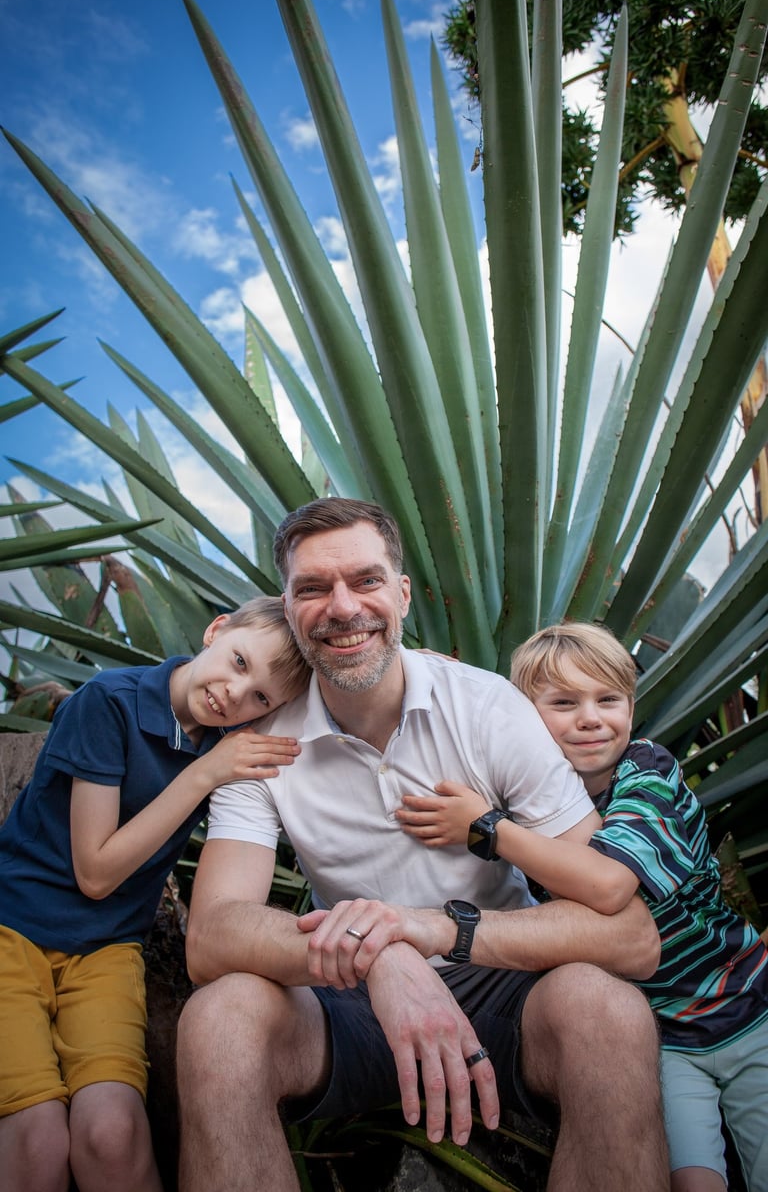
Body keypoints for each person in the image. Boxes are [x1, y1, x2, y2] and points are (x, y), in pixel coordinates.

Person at [176, 497, 670, 1192]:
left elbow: (630, 934)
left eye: (366, 579)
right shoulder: (261, 745)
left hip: (506, 984)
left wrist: (435, 933)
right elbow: (213, 936)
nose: (343, 607)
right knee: (219, 1022)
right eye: (313, 588)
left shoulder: (489, 708)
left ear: (402, 593)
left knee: (610, 1012)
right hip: (346, 999)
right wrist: (379, 957)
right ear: (287, 609)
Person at [398, 621, 768, 1192]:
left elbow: (609, 887)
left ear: (631, 705)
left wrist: (487, 827)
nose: (591, 718)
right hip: (659, 1036)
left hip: (745, 1007)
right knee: (693, 1180)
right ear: (522, 717)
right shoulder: (528, 796)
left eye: (608, 700)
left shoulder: (647, 773)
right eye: (564, 703)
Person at [0, 596, 308, 1192]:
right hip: (12, 931)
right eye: (240, 662)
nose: (235, 695)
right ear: (217, 630)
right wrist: (206, 772)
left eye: (261, 698)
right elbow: (95, 872)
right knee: (38, 1143)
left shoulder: (228, 737)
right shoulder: (108, 702)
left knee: (111, 1136)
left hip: (107, 951)